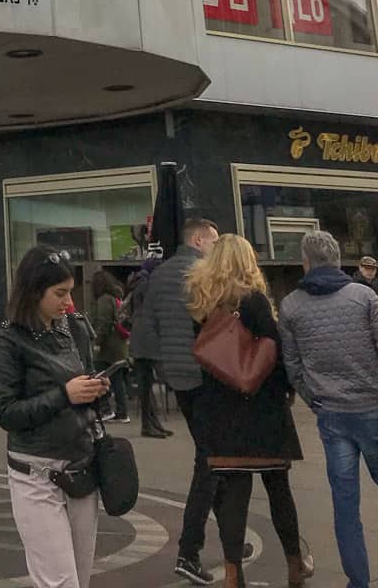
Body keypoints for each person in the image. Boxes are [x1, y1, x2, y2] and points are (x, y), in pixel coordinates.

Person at [279, 230, 378, 588]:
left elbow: (293, 366)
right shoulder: (363, 297)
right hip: (375, 409)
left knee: (345, 503)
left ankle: (357, 582)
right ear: (339, 259)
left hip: (332, 415)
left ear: (305, 262)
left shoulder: (291, 306)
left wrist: (314, 399)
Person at [185, 235, 310, 588]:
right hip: (262, 412)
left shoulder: (201, 305)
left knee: (233, 494)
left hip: (220, 413)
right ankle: (294, 564)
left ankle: (231, 572)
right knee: (278, 488)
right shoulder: (253, 302)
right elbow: (274, 353)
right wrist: (288, 391)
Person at [0, 250, 109, 588]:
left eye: (70, 291)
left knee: (79, 580)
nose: (68, 302)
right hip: (36, 474)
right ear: (33, 291)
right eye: (59, 293)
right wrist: (65, 395)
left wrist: (96, 389)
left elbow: (81, 385)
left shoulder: (72, 331)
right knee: (61, 583)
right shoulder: (8, 343)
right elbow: (7, 413)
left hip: (81, 470)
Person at [145, 217, 222, 586]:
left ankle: (221, 542)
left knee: (212, 456)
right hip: (206, 373)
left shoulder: (158, 274)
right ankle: (189, 551)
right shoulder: (201, 271)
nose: (216, 248)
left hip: (177, 375)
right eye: (213, 240)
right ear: (197, 239)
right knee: (210, 461)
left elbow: (152, 326)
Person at [125, 257, 170, 438]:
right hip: (147, 339)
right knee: (147, 384)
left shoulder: (141, 282)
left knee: (146, 383)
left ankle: (152, 423)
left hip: (141, 338)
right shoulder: (148, 284)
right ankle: (148, 425)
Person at [90, 270, 130, 424]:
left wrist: (97, 343)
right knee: (117, 378)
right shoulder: (115, 297)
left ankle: (107, 410)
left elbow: (103, 322)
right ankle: (121, 412)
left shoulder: (104, 300)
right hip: (118, 345)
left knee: (99, 374)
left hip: (108, 347)